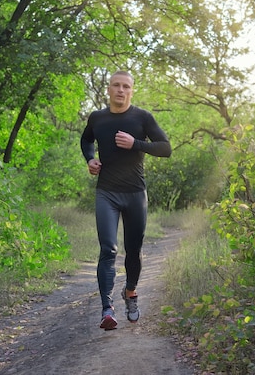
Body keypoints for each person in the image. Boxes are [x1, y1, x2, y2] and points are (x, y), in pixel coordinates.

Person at [80, 70, 172, 330]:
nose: (121, 90)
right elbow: (86, 139)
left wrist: (136, 144)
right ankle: (107, 310)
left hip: (135, 194)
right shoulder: (97, 118)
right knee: (108, 250)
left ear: (132, 91)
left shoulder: (142, 118)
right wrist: (90, 159)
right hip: (106, 192)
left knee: (133, 251)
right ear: (108, 89)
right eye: (116, 85)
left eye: (126, 87)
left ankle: (130, 292)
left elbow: (165, 148)